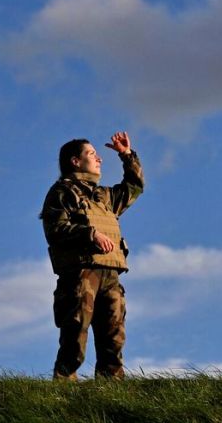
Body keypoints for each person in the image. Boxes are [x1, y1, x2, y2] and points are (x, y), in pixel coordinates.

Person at [40, 132, 144, 380]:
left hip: (110, 274)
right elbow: (55, 229)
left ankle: (110, 397)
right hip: (80, 273)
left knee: (114, 339)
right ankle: (62, 393)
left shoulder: (103, 196)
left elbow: (134, 187)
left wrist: (127, 156)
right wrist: (91, 234)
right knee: (75, 337)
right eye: (91, 154)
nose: (99, 158)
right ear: (75, 161)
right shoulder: (62, 192)